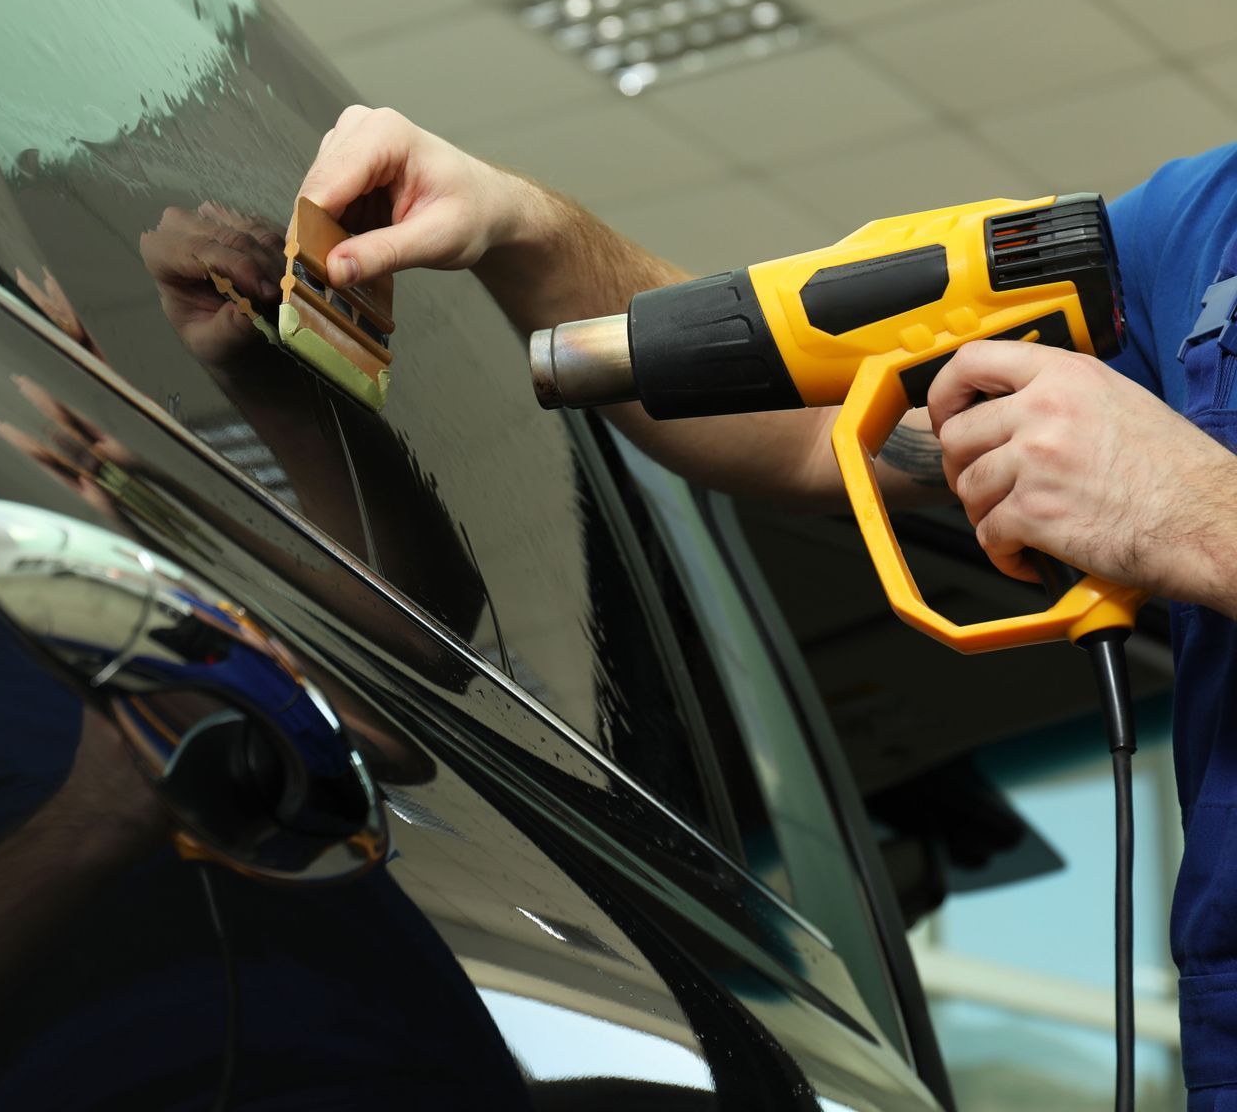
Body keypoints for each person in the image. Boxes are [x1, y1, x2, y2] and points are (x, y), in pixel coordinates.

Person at [297, 104, 1237, 1104]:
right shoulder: (1205, 227)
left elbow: (1182, 503)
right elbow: (821, 415)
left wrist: (1191, 510)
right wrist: (519, 224)